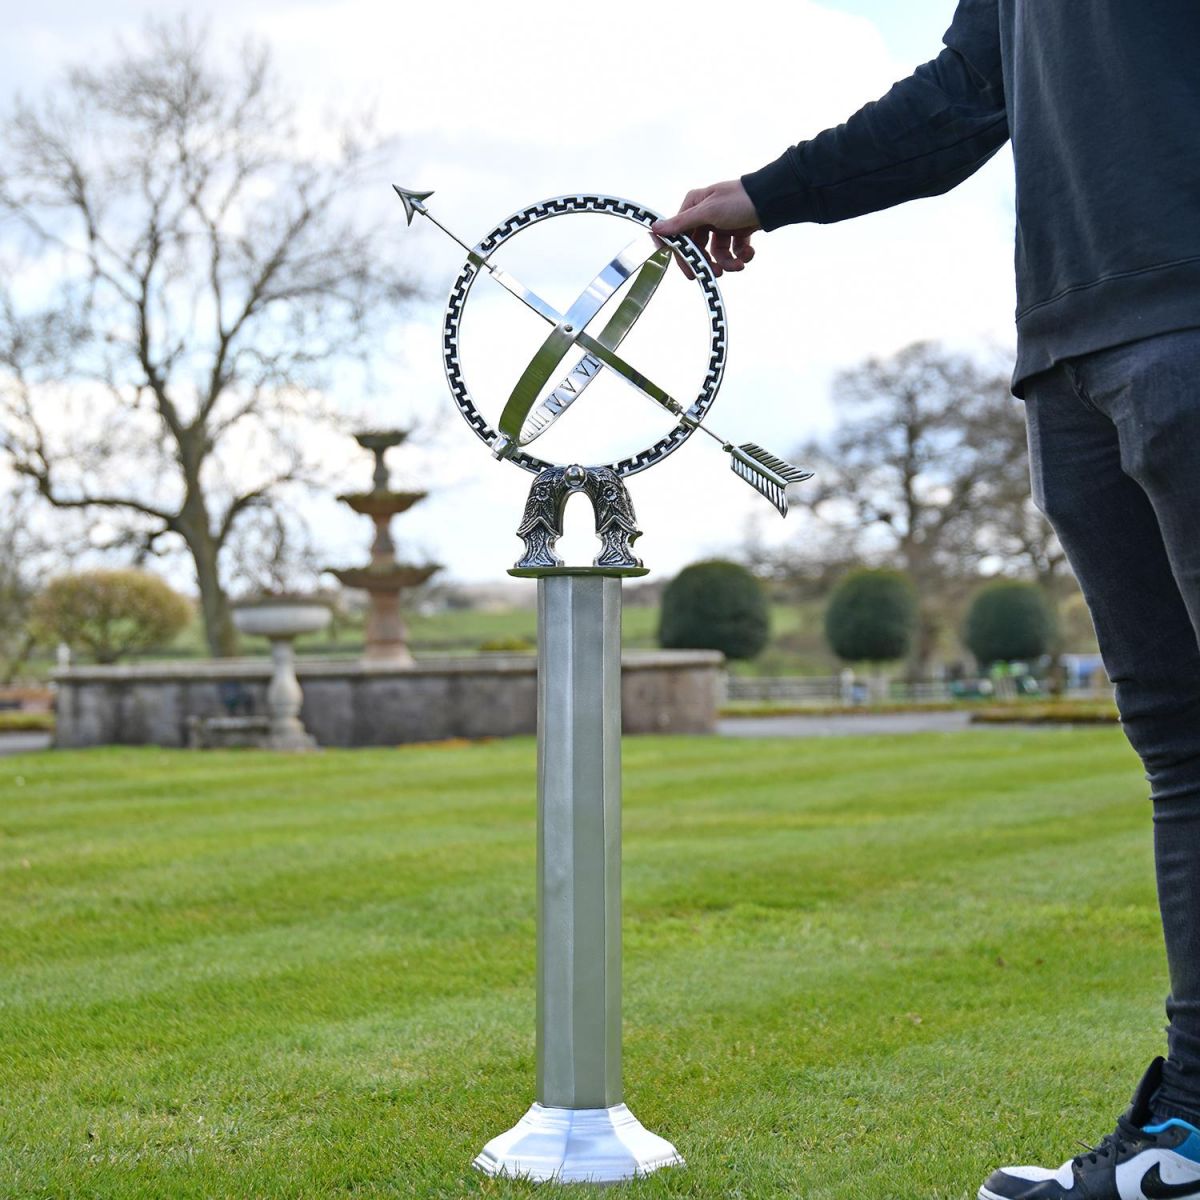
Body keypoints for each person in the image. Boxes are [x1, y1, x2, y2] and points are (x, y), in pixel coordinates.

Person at [652, 2, 1200, 1198]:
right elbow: (965, 95)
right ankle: (1194, 1137)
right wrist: (767, 194)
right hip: (1075, 351)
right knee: (1184, 750)